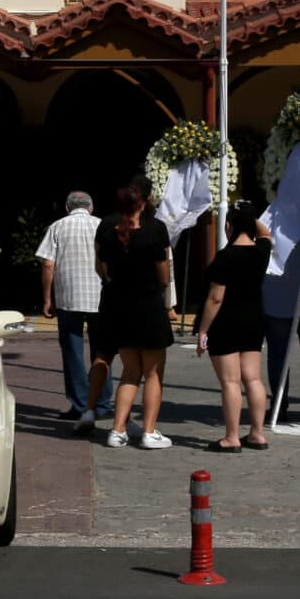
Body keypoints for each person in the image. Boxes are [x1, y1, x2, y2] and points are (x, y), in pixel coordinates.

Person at [95, 185, 173, 449]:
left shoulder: (109, 231)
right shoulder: (155, 229)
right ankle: (149, 431)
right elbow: (164, 274)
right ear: (142, 204)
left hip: (121, 305)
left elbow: (102, 269)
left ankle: (117, 431)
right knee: (152, 372)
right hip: (149, 305)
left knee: (130, 372)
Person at [193, 204, 272, 451]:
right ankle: (258, 433)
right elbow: (266, 234)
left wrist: (203, 330)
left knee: (230, 382)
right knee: (254, 379)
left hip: (226, 323)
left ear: (229, 226)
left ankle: (232, 437)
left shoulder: (226, 257)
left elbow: (215, 298)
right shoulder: (261, 251)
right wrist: (250, 215)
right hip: (254, 320)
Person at [36, 191, 114, 423]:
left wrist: (47, 299)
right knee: (102, 351)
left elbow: (48, 264)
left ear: (68, 207)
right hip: (100, 297)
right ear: (91, 207)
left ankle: (80, 404)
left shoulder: (58, 226)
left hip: (69, 298)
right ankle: (101, 403)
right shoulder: (102, 225)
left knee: (72, 352)